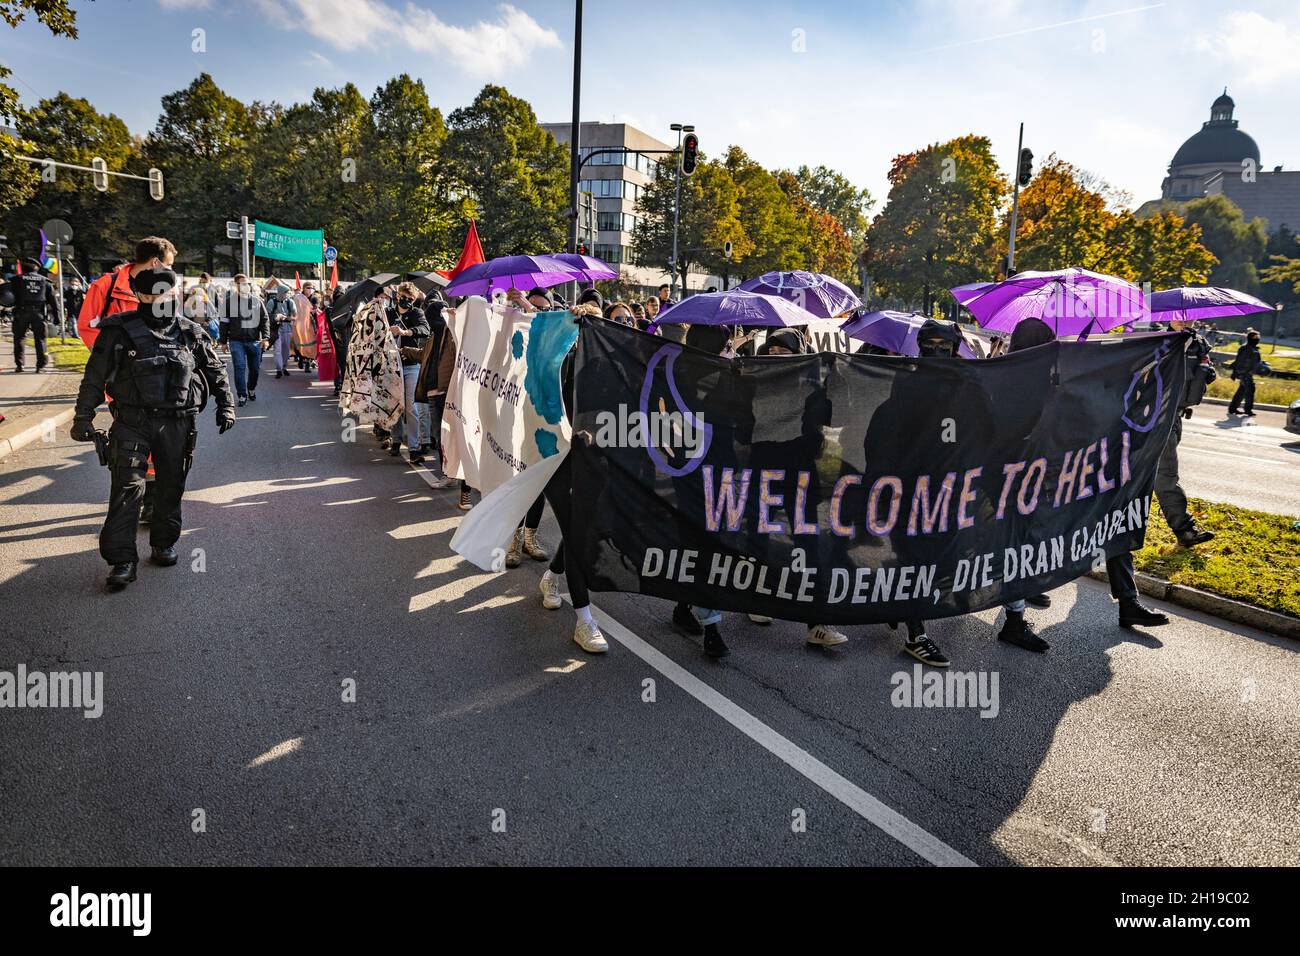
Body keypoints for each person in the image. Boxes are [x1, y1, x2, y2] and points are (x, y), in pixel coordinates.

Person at [69, 265, 236, 588]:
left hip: (177, 423)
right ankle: (121, 560)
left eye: (166, 292)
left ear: (174, 293)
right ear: (139, 295)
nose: (160, 298)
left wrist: (226, 404)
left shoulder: (189, 331)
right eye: (152, 293)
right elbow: (94, 375)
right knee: (127, 490)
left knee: (171, 486)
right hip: (132, 422)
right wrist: (83, 416)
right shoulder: (118, 330)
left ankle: (163, 542)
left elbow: (214, 370)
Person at [1157, 320, 1217, 546]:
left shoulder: (1199, 343)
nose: (1185, 319)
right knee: (1165, 475)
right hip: (1156, 416)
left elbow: (1207, 376)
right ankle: (1185, 531)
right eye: (1180, 315)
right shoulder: (1156, 340)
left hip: (1177, 415)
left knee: (1150, 476)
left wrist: (1206, 372)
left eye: (1189, 316)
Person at [386, 281, 431, 462]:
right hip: (391, 365)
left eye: (410, 299)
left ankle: (413, 447)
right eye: (403, 297)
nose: (405, 301)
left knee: (411, 407)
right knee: (394, 404)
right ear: (397, 296)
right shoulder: (388, 313)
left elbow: (425, 330)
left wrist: (405, 332)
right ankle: (396, 440)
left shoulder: (417, 313)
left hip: (411, 364)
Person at [414, 296, 456, 483]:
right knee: (440, 438)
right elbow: (423, 355)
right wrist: (403, 350)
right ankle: (447, 473)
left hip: (448, 392)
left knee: (450, 437)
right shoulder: (432, 338)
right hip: (432, 392)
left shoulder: (454, 335)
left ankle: (453, 474)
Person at [219, 274, 270, 407]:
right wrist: (223, 342)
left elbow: (264, 320)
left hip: (255, 341)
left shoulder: (256, 301)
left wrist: (265, 338)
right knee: (239, 368)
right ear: (236, 285)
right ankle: (242, 395)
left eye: (247, 283)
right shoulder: (229, 302)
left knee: (255, 369)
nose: (245, 286)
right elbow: (224, 322)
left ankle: (251, 388)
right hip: (236, 342)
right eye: (242, 283)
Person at [10, 259, 56, 372]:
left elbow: (7, 296)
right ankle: (40, 366)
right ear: (37, 269)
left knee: (19, 338)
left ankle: (20, 365)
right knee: (40, 339)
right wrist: (57, 318)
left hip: (21, 313)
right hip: (39, 314)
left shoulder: (17, 280)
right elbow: (53, 301)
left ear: (24, 269)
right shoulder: (45, 281)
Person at [265, 277, 297, 379]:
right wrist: (276, 317)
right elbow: (266, 316)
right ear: (281, 292)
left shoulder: (290, 302)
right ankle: (279, 369)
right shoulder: (271, 302)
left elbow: (295, 315)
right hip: (276, 329)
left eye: (288, 293)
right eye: (286, 292)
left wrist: (288, 318)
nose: (287, 294)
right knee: (277, 350)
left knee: (286, 350)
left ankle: (284, 367)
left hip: (287, 328)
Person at [1227, 328, 1264, 417]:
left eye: (1258, 337)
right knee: (1250, 390)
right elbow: (1239, 361)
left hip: (1248, 373)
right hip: (1244, 373)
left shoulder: (1254, 349)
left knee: (1242, 390)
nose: (1257, 339)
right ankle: (1248, 410)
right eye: (1256, 337)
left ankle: (1232, 408)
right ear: (1250, 338)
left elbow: (1255, 362)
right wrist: (1235, 372)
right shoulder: (1245, 348)